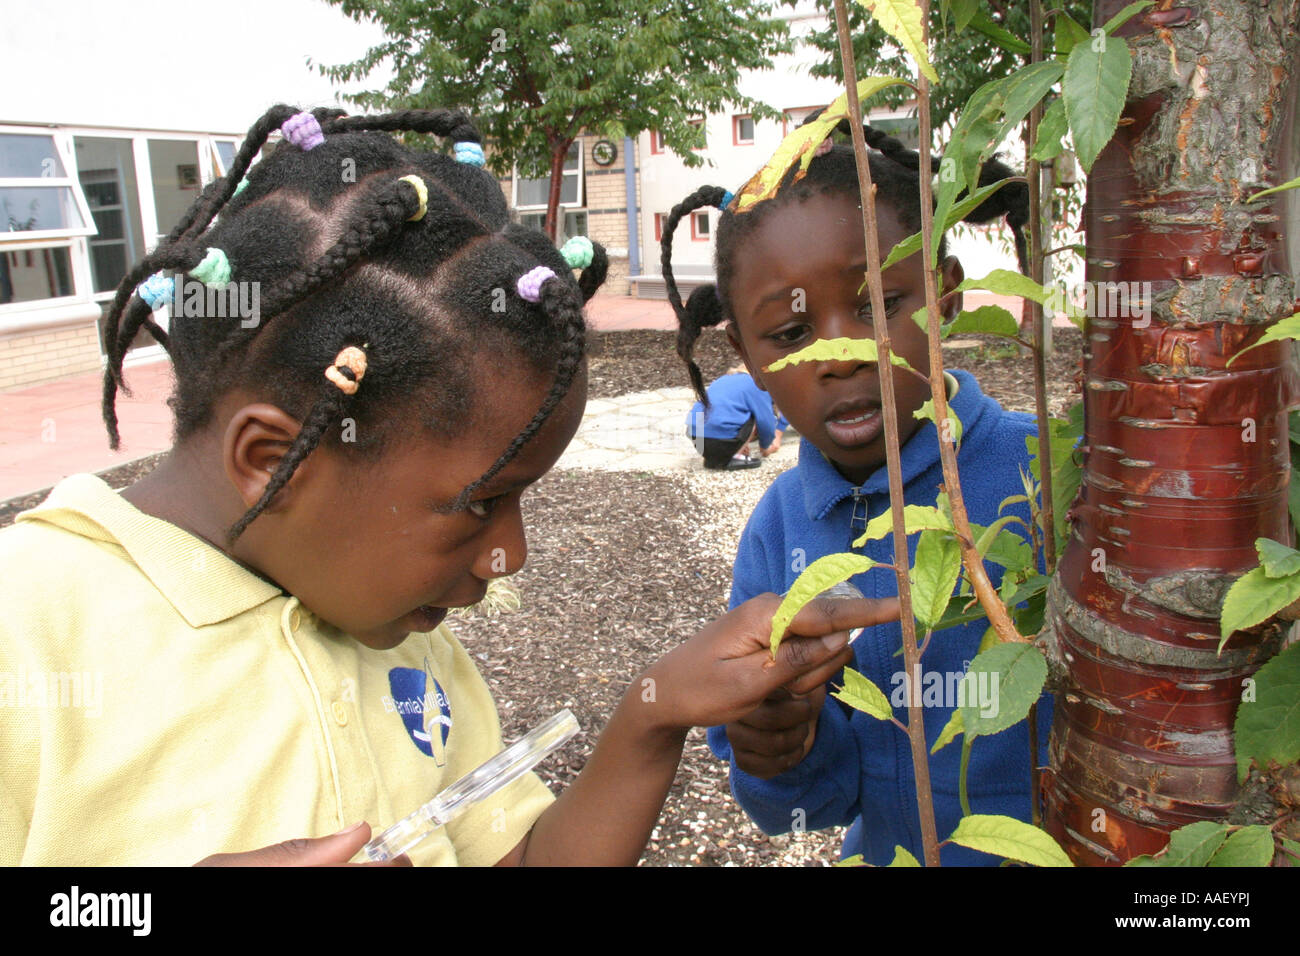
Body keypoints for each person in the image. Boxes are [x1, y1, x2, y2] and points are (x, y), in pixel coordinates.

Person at [0, 106, 898, 867]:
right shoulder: (29, 624)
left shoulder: (397, 634)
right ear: (273, 460)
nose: (511, 554)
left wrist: (652, 714)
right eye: (479, 502)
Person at [659, 119, 1052, 866]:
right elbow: (809, 806)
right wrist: (780, 746)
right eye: (790, 333)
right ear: (745, 356)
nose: (842, 355)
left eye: (878, 306)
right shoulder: (780, 533)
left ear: (949, 297)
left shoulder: (1049, 474)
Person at [685, 364, 787, 470]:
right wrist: (766, 447)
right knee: (754, 414)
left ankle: (715, 458)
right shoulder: (758, 384)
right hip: (719, 438)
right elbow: (765, 421)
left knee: (735, 412)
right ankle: (734, 456)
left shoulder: (723, 380)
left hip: (696, 436)